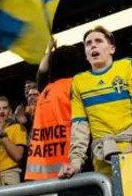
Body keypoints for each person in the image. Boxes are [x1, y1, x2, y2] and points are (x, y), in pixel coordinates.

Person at [60, 26, 132, 178]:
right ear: (86, 54)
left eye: (98, 41)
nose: (93, 45)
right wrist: (75, 163)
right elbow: (80, 127)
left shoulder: (128, 66)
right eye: (88, 43)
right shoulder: (78, 82)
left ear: (112, 48)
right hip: (102, 158)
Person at [27, 44, 87, 181]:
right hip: (71, 166)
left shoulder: (45, 90)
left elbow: (41, 73)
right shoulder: (76, 85)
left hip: (43, 172)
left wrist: (49, 52)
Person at [0, 97, 27, 185]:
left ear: (10, 111)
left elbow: (18, 156)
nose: (1, 111)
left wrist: (2, 135)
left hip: (10, 174)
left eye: (5, 108)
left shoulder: (18, 128)